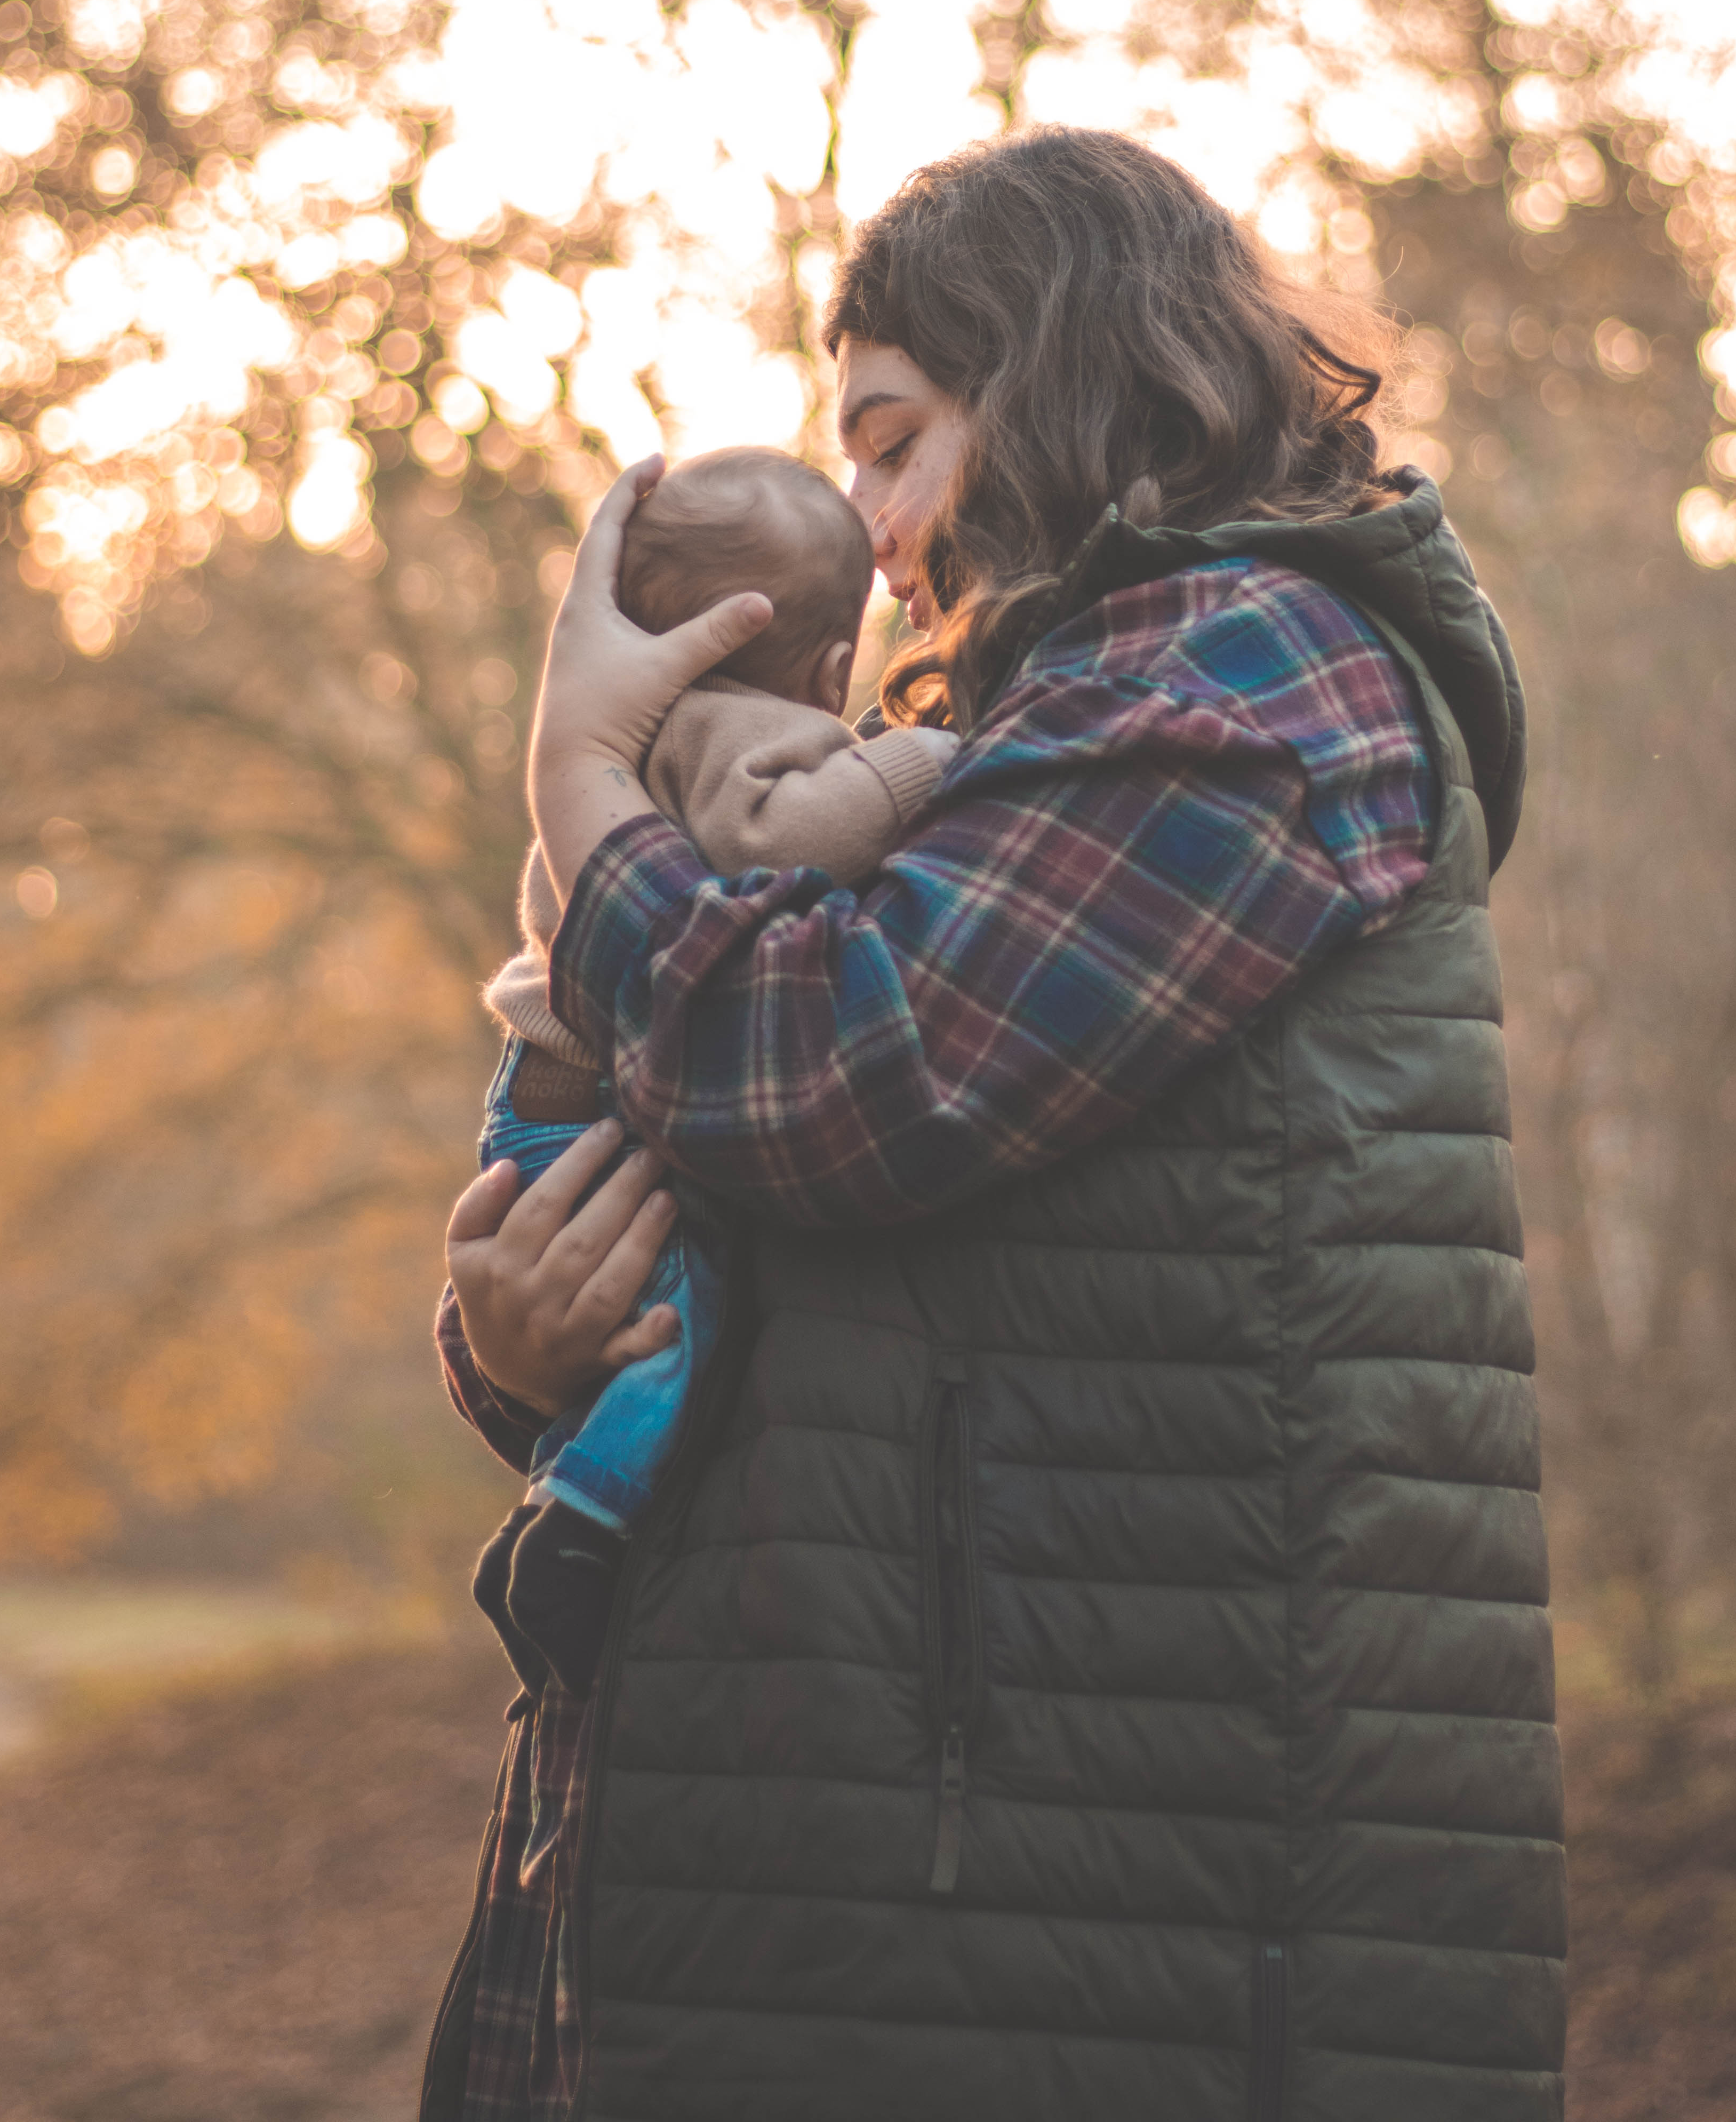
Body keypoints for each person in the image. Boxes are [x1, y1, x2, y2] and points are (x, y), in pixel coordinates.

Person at [426, 126, 1562, 2122]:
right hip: (914, 1894)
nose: (866, 533)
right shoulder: (1041, 735)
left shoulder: (1250, 687)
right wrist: (530, 1347)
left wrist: (585, 778)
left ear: (1052, 372)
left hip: (1088, 1931)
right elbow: (813, 1246)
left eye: (893, 442)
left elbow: (826, 1080)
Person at [473, 445, 958, 1693]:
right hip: (583, 1112)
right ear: (830, 669)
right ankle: (577, 1515)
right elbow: (777, 838)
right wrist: (917, 761)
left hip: (541, 1102)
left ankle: (567, 1484)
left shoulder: (634, 731)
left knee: (654, 1314)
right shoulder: (743, 732)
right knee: (671, 1330)